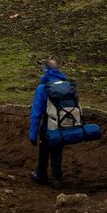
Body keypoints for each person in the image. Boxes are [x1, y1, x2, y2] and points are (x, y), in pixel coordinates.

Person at [29, 58, 68, 188]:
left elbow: (36, 113)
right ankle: (58, 177)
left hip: (48, 125)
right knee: (57, 151)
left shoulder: (42, 88)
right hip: (63, 125)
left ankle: (41, 174)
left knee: (44, 150)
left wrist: (33, 135)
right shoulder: (66, 86)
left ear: (45, 70)